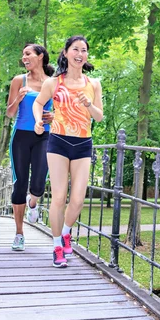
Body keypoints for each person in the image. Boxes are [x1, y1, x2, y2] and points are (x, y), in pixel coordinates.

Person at [33, 35, 103, 267]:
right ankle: (56, 247)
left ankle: (65, 232)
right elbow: (38, 103)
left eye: (84, 50)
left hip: (83, 143)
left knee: (78, 200)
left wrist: (88, 104)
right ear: (65, 53)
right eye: (75, 49)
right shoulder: (53, 83)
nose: (80, 54)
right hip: (58, 142)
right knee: (59, 196)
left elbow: (99, 116)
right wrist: (38, 121)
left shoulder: (93, 84)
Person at [5, 44, 54, 251]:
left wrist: (54, 116)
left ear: (40, 56)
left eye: (28, 54)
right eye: (23, 54)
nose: (24, 57)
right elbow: (9, 113)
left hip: (45, 135)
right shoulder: (19, 80)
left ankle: (33, 203)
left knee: (39, 183)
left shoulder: (53, 82)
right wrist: (18, 98)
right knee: (20, 183)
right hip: (21, 136)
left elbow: (60, 111)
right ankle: (19, 233)